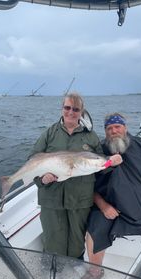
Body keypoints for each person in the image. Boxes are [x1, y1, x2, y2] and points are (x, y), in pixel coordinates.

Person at [77, 112, 141, 279]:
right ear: (105, 132)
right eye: (109, 128)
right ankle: (94, 271)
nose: (114, 131)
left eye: (117, 127)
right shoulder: (97, 152)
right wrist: (103, 206)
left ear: (125, 127)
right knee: (95, 225)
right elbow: (86, 186)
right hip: (113, 211)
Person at [31, 94, 121, 259]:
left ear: (81, 112)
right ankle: (52, 272)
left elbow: (101, 166)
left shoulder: (91, 136)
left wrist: (111, 162)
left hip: (80, 200)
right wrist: (42, 180)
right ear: (62, 109)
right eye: (67, 108)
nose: (71, 112)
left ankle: (72, 272)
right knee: (53, 242)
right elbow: (33, 161)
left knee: (76, 243)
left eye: (75, 109)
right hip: (51, 199)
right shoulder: (49, 133)